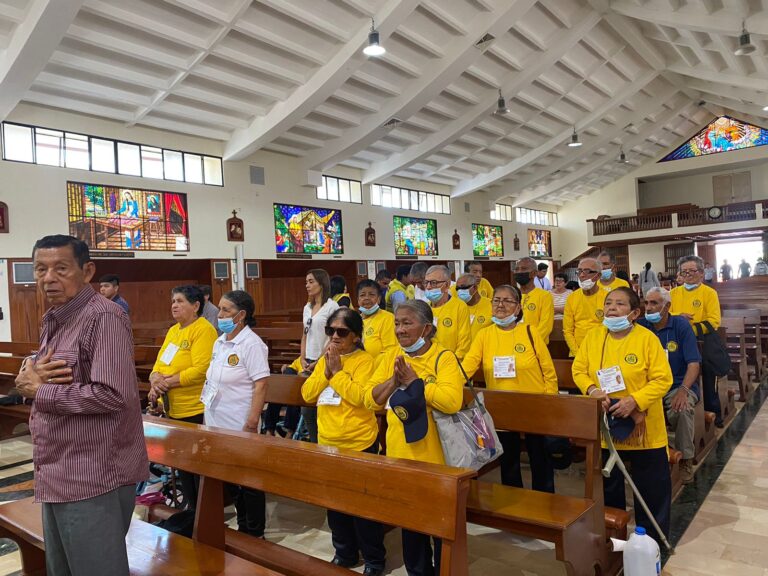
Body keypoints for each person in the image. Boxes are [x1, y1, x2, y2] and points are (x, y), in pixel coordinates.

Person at [14, 235, 148, 576]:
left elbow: (115, 394)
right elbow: (47, 371)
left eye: (61, 268)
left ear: (87, 271)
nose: (48, 278)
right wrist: (29, 370)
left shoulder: (104, 318)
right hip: (58, 469)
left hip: (92, 475)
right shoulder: (55, 317)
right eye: (40, 269)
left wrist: (39, 391)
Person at [364, 300, 464, 576]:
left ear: (427, 328)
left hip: (437, 457)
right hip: (400, 452)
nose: (399, 329)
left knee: (440, 527)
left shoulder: (444, 357)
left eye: (407, 323)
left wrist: (416, 384)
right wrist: (394, 382)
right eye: (397, 323)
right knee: (411, 526)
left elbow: (452, 401)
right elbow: (370, 400)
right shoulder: (390, 357)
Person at [572, 287, 673, 546]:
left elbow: (663, 379)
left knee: (650, 487)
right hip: (608, 424)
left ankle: (651, 542)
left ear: (635, 313)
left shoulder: (647, 338)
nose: (611, 308)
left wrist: (634, 401)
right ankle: (614, 539)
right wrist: (592, 389)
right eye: (608, 304)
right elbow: (579, 369)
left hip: (643, 425)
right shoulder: (594, 337)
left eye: (619, 304)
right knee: (610, 487)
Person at [302, 308, 386, 576]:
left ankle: (374, 559)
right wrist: (326, 372)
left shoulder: (365, 361)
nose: (335, 336)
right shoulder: (327, 359)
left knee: (363, 508)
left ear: (356, 336)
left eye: (342, 332)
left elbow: (361, 398)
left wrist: (337, 373)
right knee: (335, 505)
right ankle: (345, 552)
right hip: (328, 440)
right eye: (331, 331)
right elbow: (307, 395)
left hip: (358, 441)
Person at [462, 284, 557, 492]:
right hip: (501, 407)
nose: (501, 305)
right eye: (496, 300)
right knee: (509, 459)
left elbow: (549, 372)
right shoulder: (484, 335)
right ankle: (514, 499)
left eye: (507, 301)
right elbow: (467, 366)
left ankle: (545, 500)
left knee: (539, 456)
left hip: (535, 405)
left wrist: (549, 402)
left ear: (518, 307)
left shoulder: (530, 332)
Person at [202, 290, 269, 537]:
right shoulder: (220, 342)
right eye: (219, 309)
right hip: (216, 422)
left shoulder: (252, 344)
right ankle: (242, 526)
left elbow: (261, 384)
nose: (220, 314)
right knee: (230, 479)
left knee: (249, 481)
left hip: (240, 422)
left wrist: (252, 421)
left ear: (241, 315)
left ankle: (254, 531)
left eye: (226, 310)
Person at [149, 284, 217, 509]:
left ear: (196, 305)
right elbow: (158, 365)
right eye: (173, 301)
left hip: (195, 409)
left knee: (196, 467)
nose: (174, 305)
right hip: (173, 409)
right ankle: (191, 510)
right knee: (183, 465)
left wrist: (165, 382)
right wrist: (155, 381)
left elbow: (201, 369)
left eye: (180, 301)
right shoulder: (174, 331)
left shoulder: (203, 329)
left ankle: (203, 513)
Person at [265, 269, 339, 441]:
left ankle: (295, 432)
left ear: (322, 283)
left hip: (323, 360)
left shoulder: (332, 306)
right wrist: (303, 357)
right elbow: (304, 334)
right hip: (305, 359)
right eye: (306, 282)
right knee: (283, 383)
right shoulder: (307, 307)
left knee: (304, 400)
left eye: (311, 281)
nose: (307, 285)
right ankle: (271, 429)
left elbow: (332, 338)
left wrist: (317, 361)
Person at [638, 287, 701, 484]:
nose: (649, 308)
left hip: (677, 384)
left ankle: (685, 459)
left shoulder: (681, 326)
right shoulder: (640, 326)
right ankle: (637, 458)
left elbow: (693, 363)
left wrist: (683, 390)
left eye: (654, 303)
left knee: (681, 410)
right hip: (648, 386)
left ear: (668, 306)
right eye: (646, 303)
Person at [670, 255, 723, 427]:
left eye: (692, 271)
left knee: (708, 370)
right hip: (676, 340)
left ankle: (712, 412)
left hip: (702, 339)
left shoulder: (709, 293)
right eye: (684, 272)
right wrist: (677, 317)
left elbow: (714, 321)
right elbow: (665, 316)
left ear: (701, 273)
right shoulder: (672, 294)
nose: (688, 275)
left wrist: (688, 329)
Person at [423, 265, 471, 359]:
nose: (428, 287)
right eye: (426, 282)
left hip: (451, 363)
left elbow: (464, 343)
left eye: (433, 283)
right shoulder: (424, 309)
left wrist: (453, 362)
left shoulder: (459, 307)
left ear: (447, 285)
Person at [563, 257, 608, 357]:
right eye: (579, 271)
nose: (582, 275)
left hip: (602, 350)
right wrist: (577, 353)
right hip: (577, 351)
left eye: (587, 271)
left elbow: (610, 329)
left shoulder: (607, 297)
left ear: (598, 275)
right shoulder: (572, 298)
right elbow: (568, 330)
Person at [356, 279, 397, 368]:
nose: (367, 298)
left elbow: (391, 350)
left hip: (379, 370)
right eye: (362, 295)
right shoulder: (354, 320)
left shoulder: (387, 318)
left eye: (371, 295)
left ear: (379, 299)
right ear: (358, 300)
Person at [514, 257, 554, 344]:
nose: (519, 272)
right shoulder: (512, 295)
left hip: (536, 345)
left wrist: (528, 341)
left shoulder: (545, 296)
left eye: (524, 269)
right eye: (517, 269)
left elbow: (546, 326)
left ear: (534, 273)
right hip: (513, 343)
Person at [455, 273, 493, 339]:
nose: (460, 291)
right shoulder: (456, 307)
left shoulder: (491, 305)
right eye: (457, 288)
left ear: (475, 288)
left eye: (463, 287)